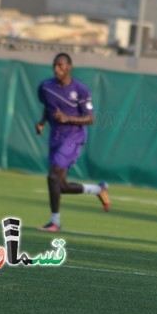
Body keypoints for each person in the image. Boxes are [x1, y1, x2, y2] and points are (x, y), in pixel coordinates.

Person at [36, 52, 110, 232]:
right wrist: (42, 122)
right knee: (61, 186)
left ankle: (55, 222)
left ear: (70, 67)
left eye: (61, 66)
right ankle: (98, 190)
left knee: (52, 176)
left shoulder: (81, 90)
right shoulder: (46, 87)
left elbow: (90, 119)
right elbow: (49, 106)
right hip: (55, 137)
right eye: (55, 65)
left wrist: (67, 118)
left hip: (73, 137)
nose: (57, 69)